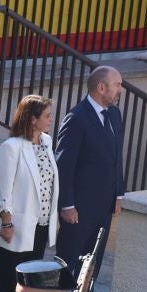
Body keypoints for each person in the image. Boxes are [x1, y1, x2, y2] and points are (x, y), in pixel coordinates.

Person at [0, 95, 59, 292]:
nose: (51, 120)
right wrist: (7, 224)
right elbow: (4, 191)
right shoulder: (12, 147)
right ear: (32, 119)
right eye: (47, 116)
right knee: (9, 285)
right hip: (16, 229)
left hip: (40, 226)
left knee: (29, 285)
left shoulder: (47, 141)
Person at [53, 65, 126, 265]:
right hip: (79, 209)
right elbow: (64, 165)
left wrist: (118, 194)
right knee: (69, 263)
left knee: (92, 265)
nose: (120, 90)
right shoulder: (77, 118)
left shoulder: (114, 114)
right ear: (101, 87)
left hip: (104, 207)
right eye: (117, 85)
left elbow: (116, 156)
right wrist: (67, 205)